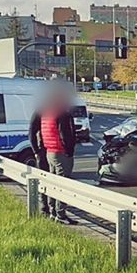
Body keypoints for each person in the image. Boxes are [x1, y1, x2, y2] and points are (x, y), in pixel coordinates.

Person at [40, 83, 77, 224]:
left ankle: (53, 211)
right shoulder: (63, 114)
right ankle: (60, 214)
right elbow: (65, 134)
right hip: (61, 153)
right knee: (63, 184)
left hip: (50, 151)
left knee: (53, 182)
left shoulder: (47, 113)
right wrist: (69, 151)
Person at [27, 108, 50, 215]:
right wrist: (36, 151)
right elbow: (32, 133)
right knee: (44, 179)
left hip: (50, 151)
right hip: (44, 152)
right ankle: (45, 207)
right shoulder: (40, 112)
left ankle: (52, 208)